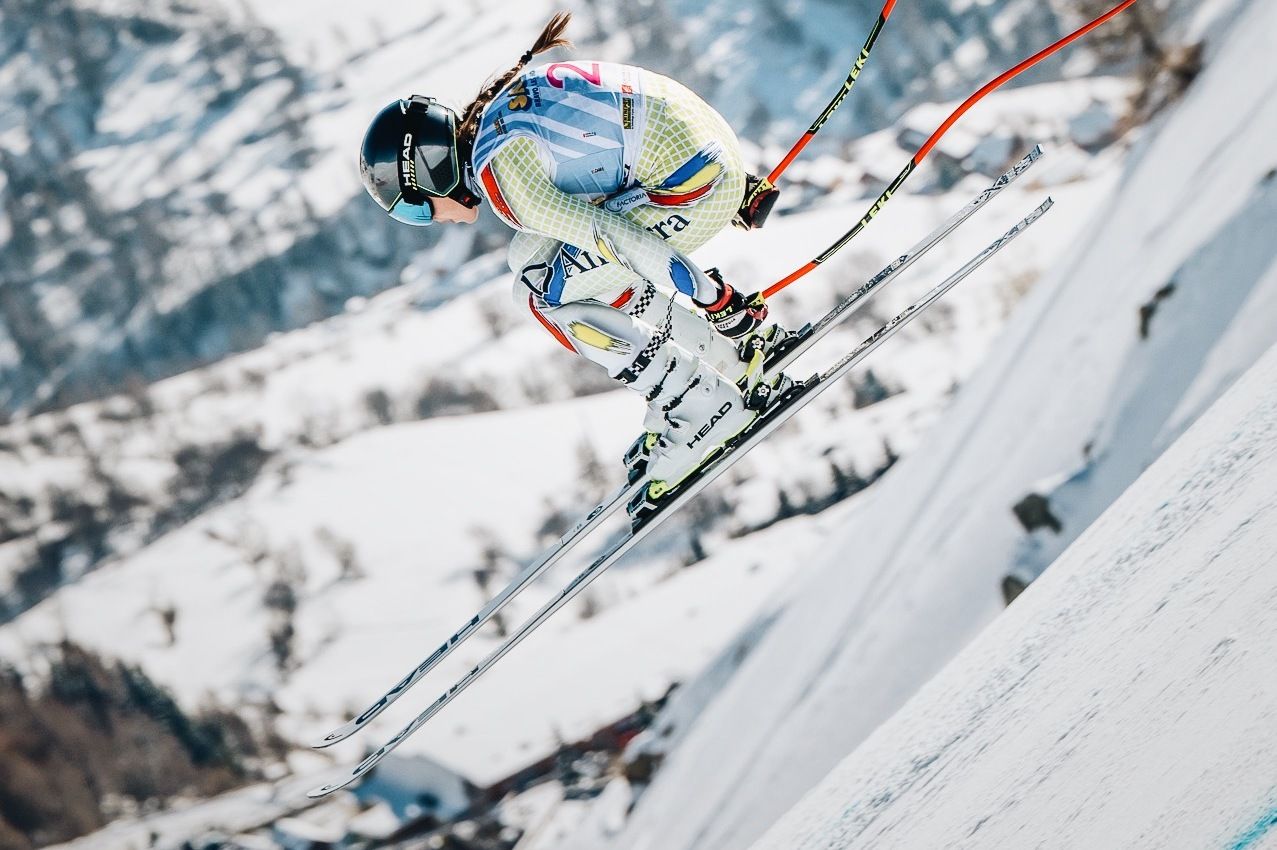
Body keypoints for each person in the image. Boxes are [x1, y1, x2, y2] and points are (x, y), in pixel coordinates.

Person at [358, 11, 793, 513]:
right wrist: (733, 177)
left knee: (549, 297)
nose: (430, 221)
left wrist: (713, 296)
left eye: (415, 208)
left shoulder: (504, 182)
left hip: (695, 188)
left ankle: (704, 407)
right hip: (707, 162)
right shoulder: (501, 114)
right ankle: (723, 359)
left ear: (429, 172)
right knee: (527, 264)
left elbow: (616, 238)